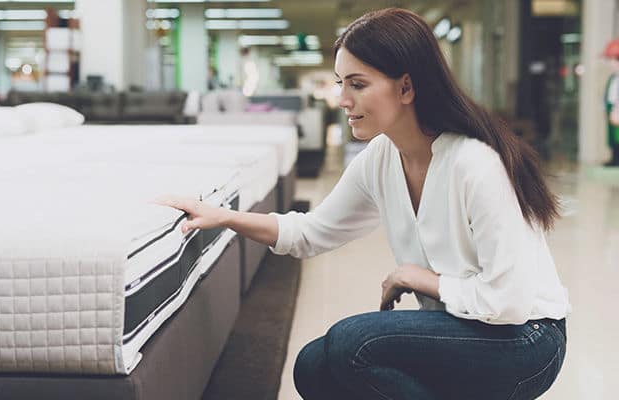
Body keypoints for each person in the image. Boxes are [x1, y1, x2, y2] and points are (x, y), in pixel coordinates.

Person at [156, 8, 570, 400]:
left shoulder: (475, 163)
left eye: (357, 84)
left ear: (405, 87)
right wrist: (225, 217)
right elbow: (310, 233)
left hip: (526, 340)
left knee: (353, 344)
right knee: (313, 367)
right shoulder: (382, 158)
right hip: (463, 326)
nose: (341, 99)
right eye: (340, 84)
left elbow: (510, 303)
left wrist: (422, 279)